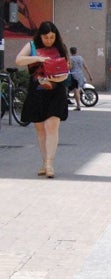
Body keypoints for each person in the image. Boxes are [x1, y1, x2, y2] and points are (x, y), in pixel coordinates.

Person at [15, 21, 69, 178]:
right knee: (40, 130)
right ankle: (44, 162)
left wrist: (56, 79)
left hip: (56, 91)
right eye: (46, 37)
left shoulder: (61, 48)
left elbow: (66, 71)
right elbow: (19, 60)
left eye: (52, 37)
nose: (49, 40)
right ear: (40, 36)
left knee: (52, 126)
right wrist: (38, 58)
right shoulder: (31, 45)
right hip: (37, 92)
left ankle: (50, 164)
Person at [68, 46, 93, 111]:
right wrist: (90, 75)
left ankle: (78, 105)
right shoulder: (80, 58)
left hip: (74, 75)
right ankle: (76, 100)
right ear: (76, 51)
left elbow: (70, 67)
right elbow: (85, 67)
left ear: (70, 52)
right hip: (81, 75)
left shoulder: (70, 58)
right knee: (78, 89)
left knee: (76, 90)